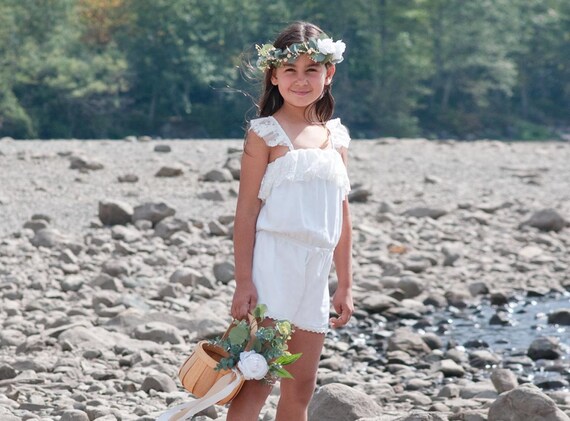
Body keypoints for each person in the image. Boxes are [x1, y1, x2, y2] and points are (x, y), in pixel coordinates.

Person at [228, 21, 354, 421]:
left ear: (328, 74)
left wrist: (345, 283)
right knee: (257, 379)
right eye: (291, 71)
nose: (301, 80)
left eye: (311, 70)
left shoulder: (336, 137)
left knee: (300, 389)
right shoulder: (265, 133)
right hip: (274, 265)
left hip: (315, 272)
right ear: (274, 75)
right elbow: (246, 212)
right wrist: (244, 282)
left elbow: (343, 214)